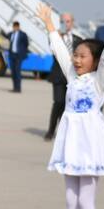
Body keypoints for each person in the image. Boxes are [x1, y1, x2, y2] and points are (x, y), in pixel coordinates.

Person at [37, 3, 104, 209]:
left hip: (90, 145)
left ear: (94, 61)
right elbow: (60, 50)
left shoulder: (98, 81)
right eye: (76, 55)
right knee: (71, 200)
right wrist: (49, 24)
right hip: (71, 143)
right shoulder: (72, 77)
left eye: (83, 56)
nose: (77, 59)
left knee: (86, 200)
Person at [45, 12, 79, 140]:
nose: (66, 24)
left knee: (68, 105)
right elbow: (52, 46)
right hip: (58, 76)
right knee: (58, 102)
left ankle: (63, 131)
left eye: (68, 21)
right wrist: (57, 37)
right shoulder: (56, 38)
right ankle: (51, 130)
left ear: (72, 22)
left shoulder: (78, 39)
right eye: (63, 21)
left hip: (72, 77)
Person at [7, 21, 28, 92]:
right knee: (13, 72)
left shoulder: (23, 34)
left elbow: (26, 43)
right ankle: (14, 87)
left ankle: (18, 88)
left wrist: (22, 52)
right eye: (14, 27)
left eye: (16, 27)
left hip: (19, 56)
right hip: (12, 55)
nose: (14, 28)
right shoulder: (11, 34)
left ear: (18, 27)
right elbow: (8, 38)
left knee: (17, 71)